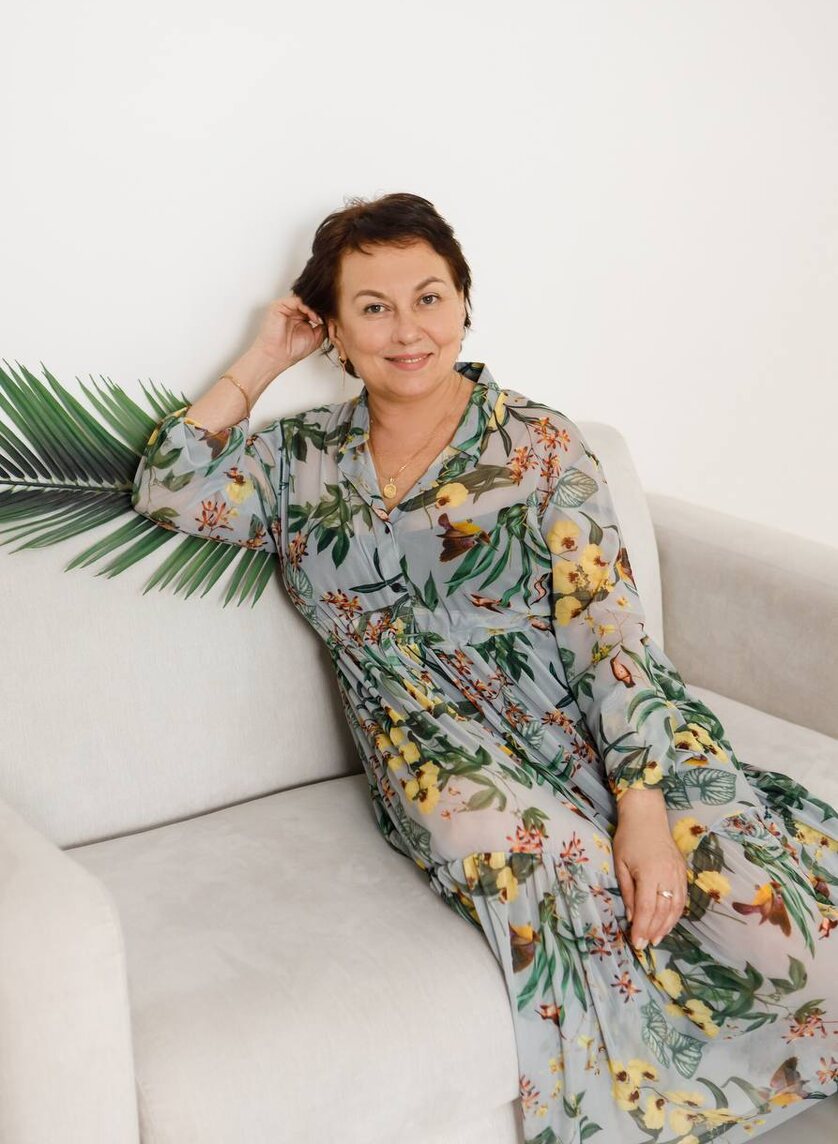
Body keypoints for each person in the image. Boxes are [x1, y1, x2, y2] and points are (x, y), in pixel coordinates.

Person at [132, 192, 838, 1143]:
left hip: (594, 714)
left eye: (429, 297)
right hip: (437, 745)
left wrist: (641, 809)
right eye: (373, 307)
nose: (407, 330)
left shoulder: (540, 445)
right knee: (572, 880)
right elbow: (168, 487)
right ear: (334, 330)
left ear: (464, 303)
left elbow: (608, 631)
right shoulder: (296, 461)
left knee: (776, 930)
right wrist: (263, 359)